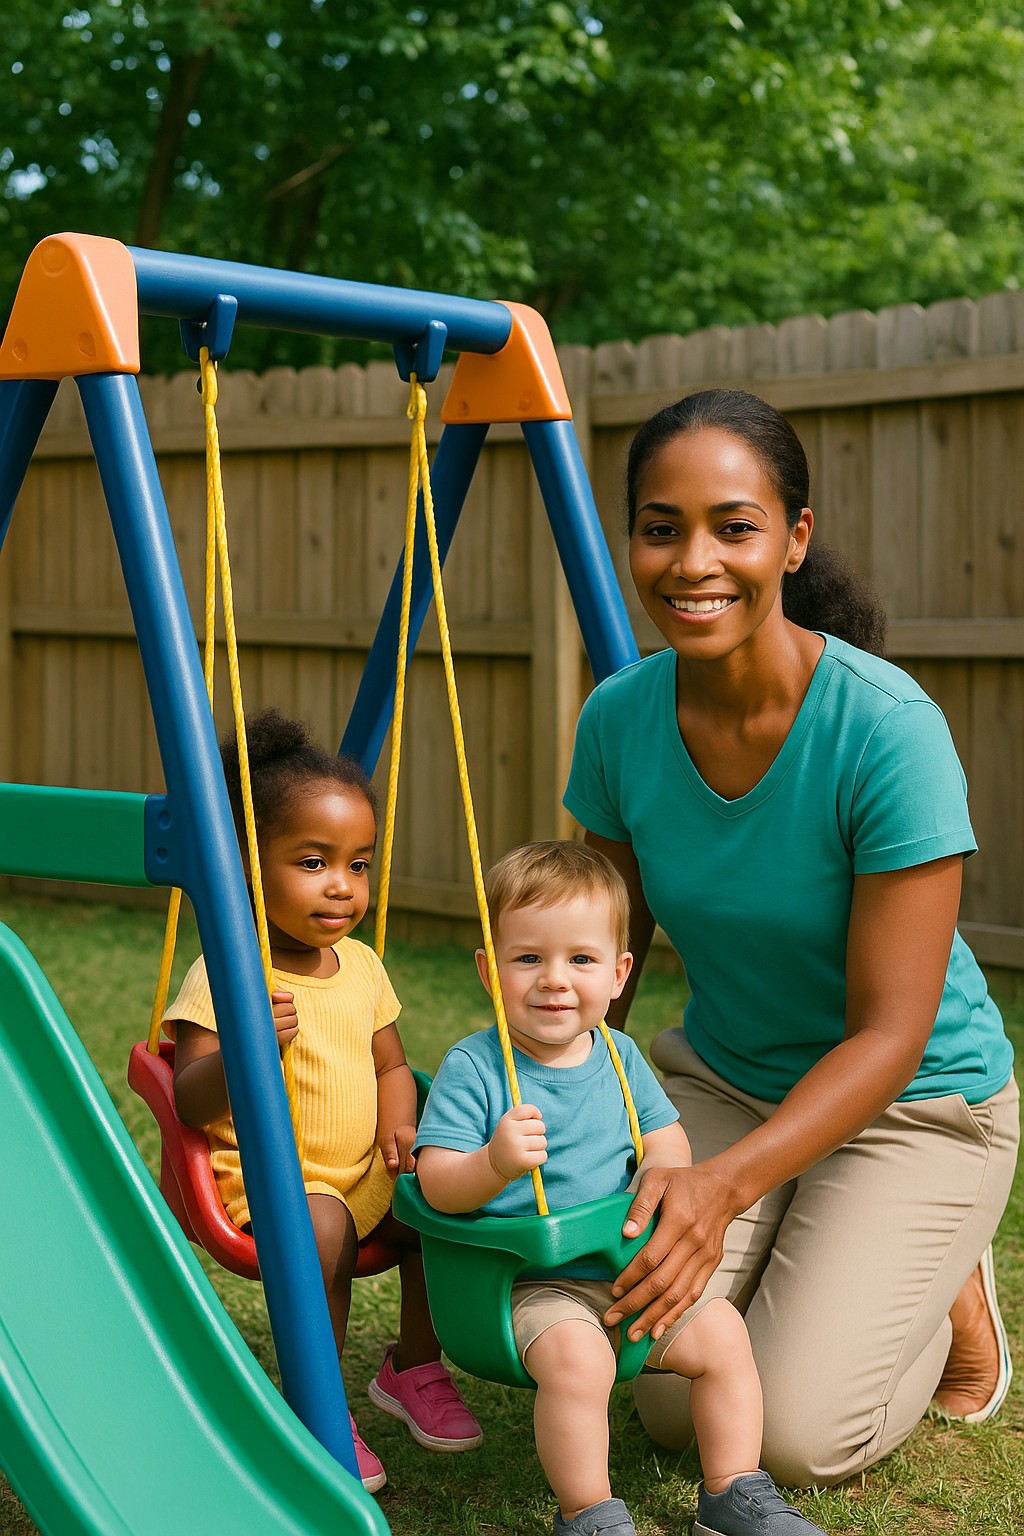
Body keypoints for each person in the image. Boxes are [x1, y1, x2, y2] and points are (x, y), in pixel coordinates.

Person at [560, 388, 1019, 1487]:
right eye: (659, 528)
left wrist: (718, 1192)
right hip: (728, 1077)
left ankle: (949, 1282)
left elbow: (893, 1034)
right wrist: (552, 1089)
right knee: (668, 1398)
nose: (692, 561)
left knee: (789, 1437)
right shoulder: (619, 718)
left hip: (915, 1106)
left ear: (793, 538)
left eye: (733, 525)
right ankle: (837, 1244)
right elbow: (604, 956)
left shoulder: (885, 730)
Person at [415, 840, 827, 1536]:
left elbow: (664, 1138)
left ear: (617, 974)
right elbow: (435, 1184)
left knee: (723, 1332)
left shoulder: (618, 1052)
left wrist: (662, 1170)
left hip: (620, 1275)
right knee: (579, 1358)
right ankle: (590, 1514)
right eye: (528, 959)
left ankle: (732, 1494)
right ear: (490, 970)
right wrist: (493, 1163)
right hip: (523, 1288)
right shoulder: (476, 1068)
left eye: (579, 959)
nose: (553, 980)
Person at [165, 707, 482, 1493]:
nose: (342, 886)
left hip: (359, 1172)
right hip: (272, 1191)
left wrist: (402, 1124)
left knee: (435, 1202)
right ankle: (317, 1404)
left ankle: (413, 1365)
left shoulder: (364, 967)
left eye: (359, 864)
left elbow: (390, 1066)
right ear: (247, 863)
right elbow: (192, 1099)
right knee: (325, 1221)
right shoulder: (228, 975)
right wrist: (244, 1047)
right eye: (312, 862)